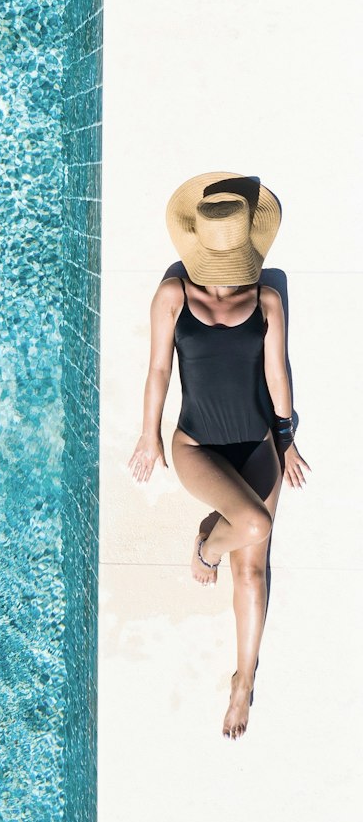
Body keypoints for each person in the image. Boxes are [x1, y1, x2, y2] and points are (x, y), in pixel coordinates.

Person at [127, 173, 311, 740]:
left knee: (254, 562)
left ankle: (244, 680)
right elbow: (160, 369)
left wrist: (286, 436)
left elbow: (276, 373)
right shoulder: (173, 295)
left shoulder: (267, 299)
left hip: (256, 443)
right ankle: (209, 546)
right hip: (198, 444)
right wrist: (149, 433)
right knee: (253, 525)